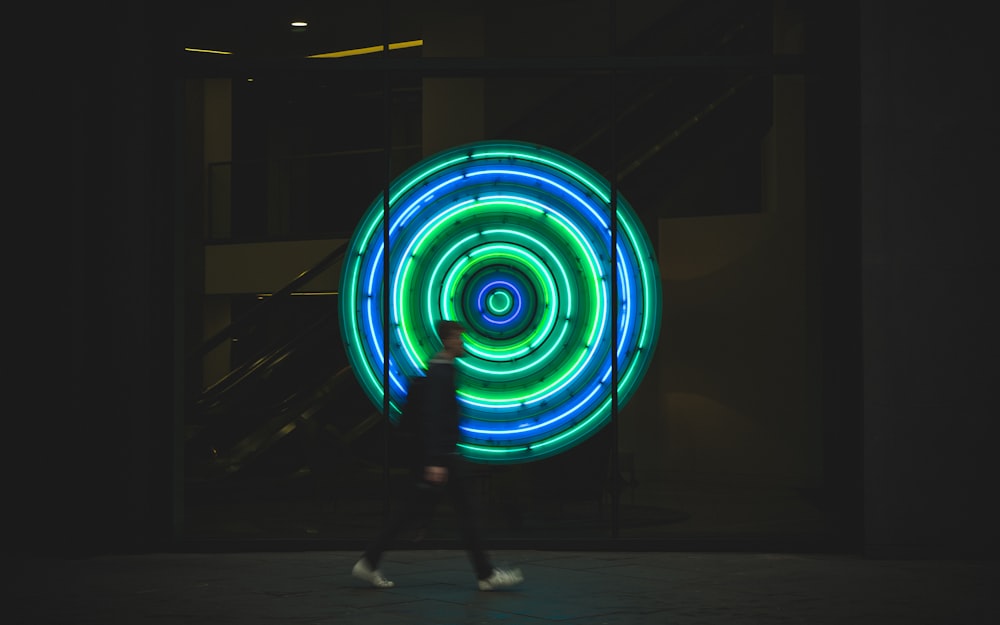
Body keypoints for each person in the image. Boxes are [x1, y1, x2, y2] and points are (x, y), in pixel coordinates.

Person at [351, 320, 524, 591]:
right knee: (430, 513)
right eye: (458, 339)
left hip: (444, 457)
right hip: (443, 459)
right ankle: (485, 575)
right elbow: (433, 417)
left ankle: (370, 562)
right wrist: (436, 460)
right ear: (447, 341)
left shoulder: (444, 369)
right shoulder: (440, 372)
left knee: (428, 513)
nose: (462, 343)